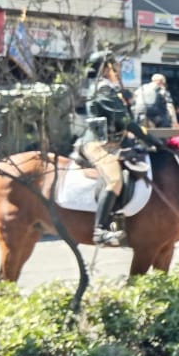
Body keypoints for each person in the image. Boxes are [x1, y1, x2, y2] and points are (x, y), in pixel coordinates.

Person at [79, 52, 135, 247]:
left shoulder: (110, 89)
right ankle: (100, 230)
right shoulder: (103, 90)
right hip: (98, 144)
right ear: (106, 69)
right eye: (115, 66)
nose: (118, 69)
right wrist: (150, 138)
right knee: (114, 180)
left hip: (112, 143)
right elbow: (125, 120)